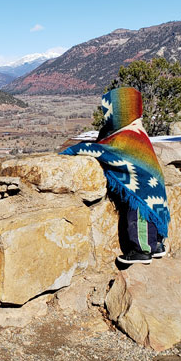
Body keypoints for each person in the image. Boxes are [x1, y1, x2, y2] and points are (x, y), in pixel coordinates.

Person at [61, 87, 169, 265]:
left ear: (121, 111)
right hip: (152, 185)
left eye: (109, 110)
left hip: (143, 188)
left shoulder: (125, 136)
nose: (106, 115)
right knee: (150, 215)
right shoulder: (137, 132)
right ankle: (156, 244)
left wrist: (74, 150)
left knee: (139, 214)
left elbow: (104, 150)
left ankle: (142, 250)